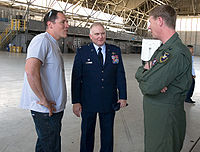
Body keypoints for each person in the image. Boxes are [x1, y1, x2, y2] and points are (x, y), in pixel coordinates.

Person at [135, 5, 192, 152]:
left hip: (166, 123)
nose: (148, 27)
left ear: (160, 21)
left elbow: (149, 86)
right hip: (157, 121)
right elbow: (142, 71)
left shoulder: (175, 52)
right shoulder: (163, 49)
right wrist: (146, 75)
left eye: (150, 22)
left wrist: (149, 78)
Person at [71, 22, 127, 152]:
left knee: (107, 135)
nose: (100, 37)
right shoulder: (82, 52)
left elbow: (120, 74)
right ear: (91, 36)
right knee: (87, 134)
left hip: (109, 101)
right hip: (88, 101)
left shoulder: (115, 51)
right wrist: (76, 101)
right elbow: (76, 79)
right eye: (97, 34)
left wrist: (123, 96)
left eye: (102, 33)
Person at [20, 10, 69, 152]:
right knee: (51, 147)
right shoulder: (42, 40)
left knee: (46, 144)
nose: (67, 25)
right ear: (50, 24)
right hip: (45, 110)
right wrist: (43, 99)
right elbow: (30, 71)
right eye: (63, 22)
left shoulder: (53, 44)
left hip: (52, 109)